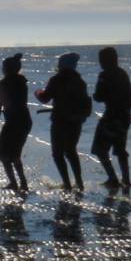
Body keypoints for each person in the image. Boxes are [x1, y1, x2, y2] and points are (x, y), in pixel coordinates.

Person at [36, 52, 92, 191]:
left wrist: (37, 92)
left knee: (57, 154)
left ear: (61, 65)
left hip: (60, 121)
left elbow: (44, 98)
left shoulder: (56, 80)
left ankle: (67, 183)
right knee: (71, 151)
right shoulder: (80, 82)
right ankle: (79, 183)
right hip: (76, 122)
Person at [91, 46, 131, 190]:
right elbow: (130, 100)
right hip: (125, 116)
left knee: (99, 149)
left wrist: (95, 96)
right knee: (120, 149)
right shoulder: (123, 73)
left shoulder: (104, 75)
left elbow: (98, 96)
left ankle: (112, 178)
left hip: (111, 116)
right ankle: (126, 180)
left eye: (101, 60)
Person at [0, 53, 32, 193]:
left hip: (13, 122)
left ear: (5, 69)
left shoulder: (2, 84)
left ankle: (16, 183)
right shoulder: (22, 81)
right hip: (25, 120)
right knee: (14, 154)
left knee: (4, 155)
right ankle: (21, 183)